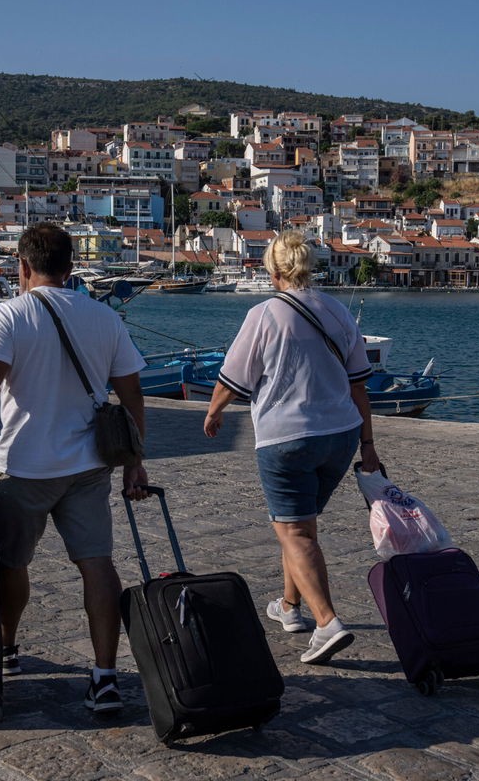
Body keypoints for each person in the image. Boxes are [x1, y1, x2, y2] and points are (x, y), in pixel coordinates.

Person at [0, 224, 148, 715]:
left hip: (24, 466)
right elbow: (132, 395)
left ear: (23, 267)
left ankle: (7, 649)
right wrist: (135, 464)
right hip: (91, 465)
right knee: (97, 564)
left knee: (11, 562)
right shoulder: (104, 318)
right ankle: (105, 677)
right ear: (70, 267)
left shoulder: (9, 315)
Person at [203, 230, 380, 664]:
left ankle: (327, 623)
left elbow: (234, 377)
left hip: (287, 437)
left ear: (272, 269)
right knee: (301, 525)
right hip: (340, 435)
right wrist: (368, 445)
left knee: (295, 530)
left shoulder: (265, 314)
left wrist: (213, 412)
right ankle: (289, 607)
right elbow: (360, 386)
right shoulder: (338, 310)